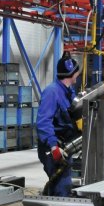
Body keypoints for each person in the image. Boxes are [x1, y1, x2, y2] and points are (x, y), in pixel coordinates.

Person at [36, 51, 81, 196]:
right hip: (53, 149)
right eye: (76, 71)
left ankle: (54, 203)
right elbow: (43, 122)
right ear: (71, 73)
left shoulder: (68, 91)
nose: (78, 74)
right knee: (62, 188)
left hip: (65, 146)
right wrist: (53, 146)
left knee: (60, 185)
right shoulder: (52, 92)